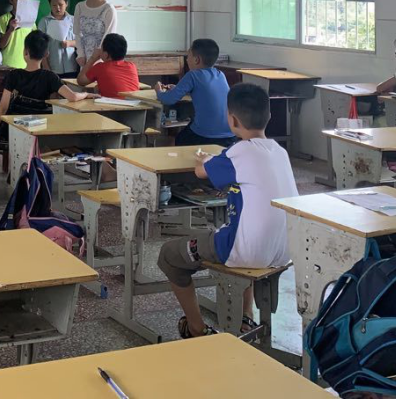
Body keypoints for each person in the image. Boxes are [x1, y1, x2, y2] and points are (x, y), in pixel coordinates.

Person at [157, 84, 296, 339]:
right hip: (285, 249)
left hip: (246, 250)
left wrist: (202, 159)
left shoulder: (238, 153)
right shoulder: (280, 152)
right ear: (269, 116)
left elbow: (201, 172)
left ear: (232, 120)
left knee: (169, 255)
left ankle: (196, 328)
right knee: (240, 232)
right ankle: (246, 317)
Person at [0, 30, 90, 201]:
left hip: (8, 130)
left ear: (25, 52)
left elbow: (2, 108)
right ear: (46, 54)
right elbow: (73, 97)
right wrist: (86, 94)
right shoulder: (50, 77)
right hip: (35, 132)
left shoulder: (14, 75)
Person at [157, 39, 237, 147]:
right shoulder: (220, 74)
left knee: (178, 139)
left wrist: (158, 91)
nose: (187, 60)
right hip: (230, 135)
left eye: (188, 56)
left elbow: (168, 99)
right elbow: (206, 93)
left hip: (205, 136)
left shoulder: (193, 75)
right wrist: (178, 88)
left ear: (196, 60)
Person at [74, 0, 117, 69]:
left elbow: (109, 37)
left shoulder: (108, 9)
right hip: (84, 60)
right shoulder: (79, 6)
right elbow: (77, 32)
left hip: (102, 60)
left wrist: (96, 58)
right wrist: (80, 54)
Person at [78, 33, 141, 97]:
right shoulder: (132, 66)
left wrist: (92, 58)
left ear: (106, 55)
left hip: (113, 103)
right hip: (136, 102)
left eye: (101, 49)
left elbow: (80, 81)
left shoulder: (101, 67)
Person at [38, 0, 78, 77]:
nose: (58, 8)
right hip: (52, 67)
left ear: (66, 3)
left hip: (72, 66)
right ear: (50, 5)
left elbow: (82, 42)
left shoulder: (73, 20)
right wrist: (45, 66)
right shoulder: (44, 22)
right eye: (54, 5)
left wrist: (70, 43)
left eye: (61, 5)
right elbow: (40, 46)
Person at [0, 0, 34, 70]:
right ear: (11, 0)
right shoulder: (4, 19)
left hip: (26, 65)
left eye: (24, 0)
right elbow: (1, 45)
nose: (22, 3)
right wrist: (10, 30)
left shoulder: (31, 19)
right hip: (8, 64)